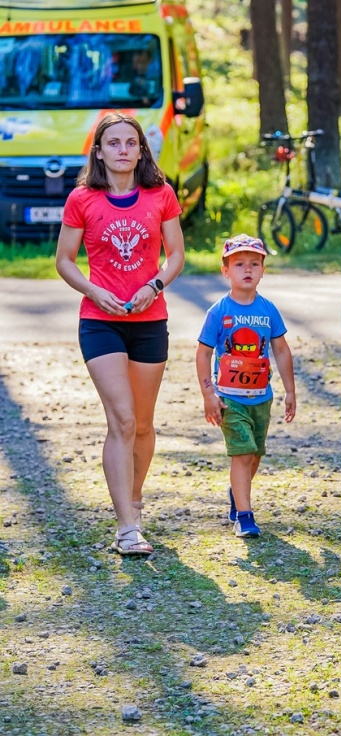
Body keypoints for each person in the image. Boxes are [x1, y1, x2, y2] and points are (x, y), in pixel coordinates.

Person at [55, 112, 185, 556]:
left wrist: (154, 286)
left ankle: (133, 499)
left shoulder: (161, 194)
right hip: (100, 320)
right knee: (123, 420)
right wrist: (95, 290)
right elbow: (65, 261)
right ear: (99, 151)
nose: (124, 150)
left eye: (132, 142)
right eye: (114, 143)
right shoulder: (81, 199)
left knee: (144, 424)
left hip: (150, 321)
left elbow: (176, 257)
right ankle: (127, 528)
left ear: (141, 150)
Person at [196, 234, 296, 538]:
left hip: (261, 398)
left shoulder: (269, 310)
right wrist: (208, 393)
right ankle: (244, 515)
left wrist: (290, 390)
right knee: (241, 454)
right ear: (226, 271)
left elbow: (281, 349)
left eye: (254, 263)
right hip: (229, 399)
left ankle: (236, 494)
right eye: (239, 264)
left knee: (254, 454)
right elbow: (203, 352)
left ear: (263, 270)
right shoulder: (219, 311)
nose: (247, 270)